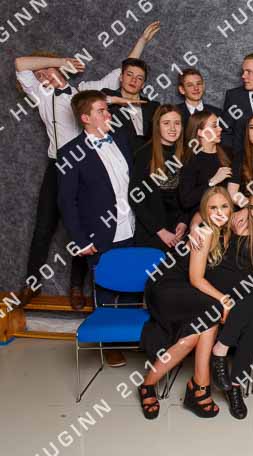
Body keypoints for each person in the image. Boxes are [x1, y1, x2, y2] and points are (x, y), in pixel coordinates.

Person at [14, 22, 157, 309]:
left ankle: (77, 286)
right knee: (45, 225)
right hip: (59, 164)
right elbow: (20, 64)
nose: (44, 76)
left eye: (48, 71)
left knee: (90, 219)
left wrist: (141, 40)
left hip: (91, 165)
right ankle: (32, 282)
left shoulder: (86, 90)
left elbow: (123, 71)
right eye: (40, 74)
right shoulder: (42, 96)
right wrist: (57, 62)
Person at [138, 187, 235, 419]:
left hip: (185, 288)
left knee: (193, 335)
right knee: (214, 309)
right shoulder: (204, 232)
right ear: (205, 211)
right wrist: (224, 299)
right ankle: (200, 387)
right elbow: (196, 279)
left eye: (224, 207)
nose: (219, 212)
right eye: (213, 208)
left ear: (231, 209)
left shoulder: (225, 230)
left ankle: (149, 385)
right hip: (165, 287)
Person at [57, 90, 137, 367]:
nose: (108, 114)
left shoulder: (121, 140)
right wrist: (79, 240)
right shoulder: (69, 153)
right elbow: (66, 202)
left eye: (107, 109)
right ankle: (109, 343)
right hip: (100, 232)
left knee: (131, 286)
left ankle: (129, 337)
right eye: (102, 110)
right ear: (85, 118)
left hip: (131, 227)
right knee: (104, 288)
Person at [209, 187, 253, 419]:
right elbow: (203, 215)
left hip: (246, 294)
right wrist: (241, 212)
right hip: (222, 281)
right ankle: (220, 349)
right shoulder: (241, 222)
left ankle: (234, 386)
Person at [129, 105, 190, 250]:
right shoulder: (144, 154)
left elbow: (189, 195)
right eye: (166, 123)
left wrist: (184, 222)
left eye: (177, 123)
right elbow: (135, 197)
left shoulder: (187, 153)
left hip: (179, 231)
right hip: (152, 232)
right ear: (157, 126)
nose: (173, 128)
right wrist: (160, 231)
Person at [178, 111, 239, 213]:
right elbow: (186, 200)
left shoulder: (228, 153)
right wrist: (212, 181)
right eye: (214, 126)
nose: (220, 129)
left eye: (218, 125)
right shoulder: (190, 160)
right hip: (202, 214)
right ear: (200, 132)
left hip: (230, 212)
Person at [102, 53, 160, 154]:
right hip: (116, 154)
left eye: (139, 78)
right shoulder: (107, 95)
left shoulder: (153, 106)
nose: (133, 80)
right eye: (129, 75)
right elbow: (90, 102)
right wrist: (116, 100)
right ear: (121, 77)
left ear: (143, 85)